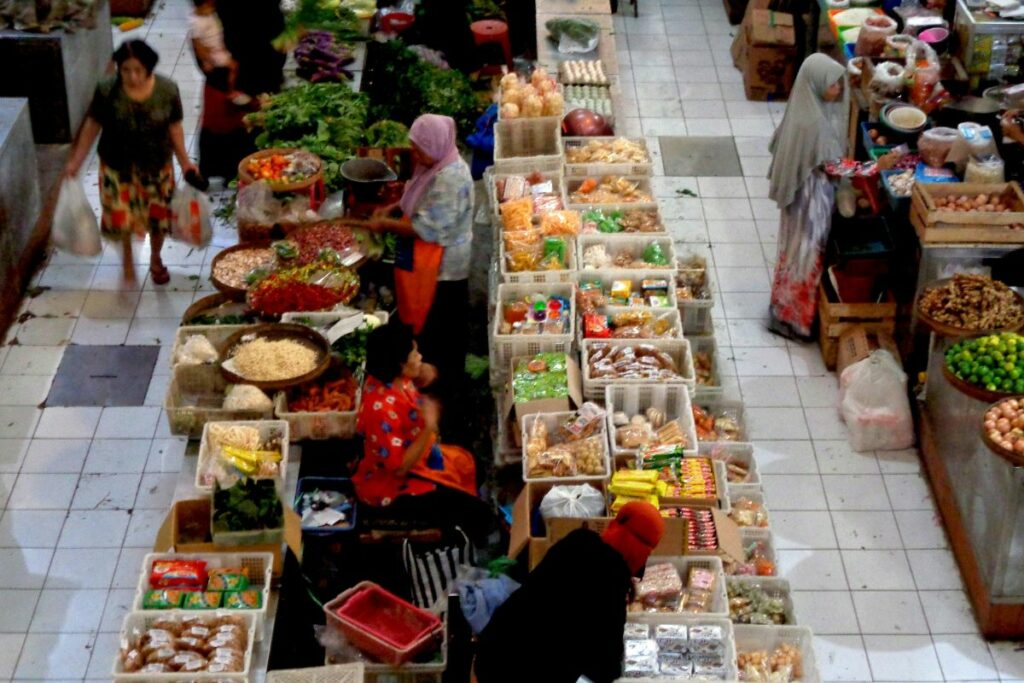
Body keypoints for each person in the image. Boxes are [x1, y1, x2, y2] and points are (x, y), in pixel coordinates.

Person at [474, 502, 666, 683]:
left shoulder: (578, 541)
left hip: (492, 650)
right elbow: (605, 666)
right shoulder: (612, 582)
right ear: (642, 552)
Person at [64, 40, 199, 284]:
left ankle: (156, 258)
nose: (132, 76)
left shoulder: (167, 90)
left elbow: (174, 127)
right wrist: (76, 160)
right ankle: (127, 255)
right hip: (117, 167)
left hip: (156, 166)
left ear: (149, 67)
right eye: (125, 70)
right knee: (120, 217)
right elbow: (93, 124)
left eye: (137, 70)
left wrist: (185, 162)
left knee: (158, 219)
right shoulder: (106, 90)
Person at [367, 114, 474, 403]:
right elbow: (413, 194)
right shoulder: (435, 164)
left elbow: (427, 228)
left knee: (438, 327)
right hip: (426, 260)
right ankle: (424, 381)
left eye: (418, 148)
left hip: (443, 270)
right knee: (426, 325)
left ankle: (438, 393)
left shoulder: (451, 178)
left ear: (436, 145)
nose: (414, 154)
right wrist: (391, 209)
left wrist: (385, 225)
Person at [355, 320, 490, 541]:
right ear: (400, 365)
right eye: (414, 354)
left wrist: (422, 373)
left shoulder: (392, 377)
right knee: (474, 513)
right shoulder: (380, 410)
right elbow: (399, 469)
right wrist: (428, 427)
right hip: (394, 483)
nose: (419, 356)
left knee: (475, 466)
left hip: (420, 453)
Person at [766, 53, 846, 340]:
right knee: (807, 255)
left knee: (794, 254)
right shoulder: (814, 123)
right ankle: (796, 322)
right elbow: (833, 165)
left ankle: (781, 311)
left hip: (799, 198)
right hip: (810, 201)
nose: (839, 90)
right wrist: (875, 167)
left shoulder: (802, 107)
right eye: (834, 85)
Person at [189, 0, 247, 104]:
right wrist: (206, 60)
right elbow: (197, 45)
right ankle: (232, 91)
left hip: (220, 47)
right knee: (234, 67)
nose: (213, 8)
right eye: (210, 6)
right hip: (214, 53)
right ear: (203, 6)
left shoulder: (208, 14)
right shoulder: (197, 23)